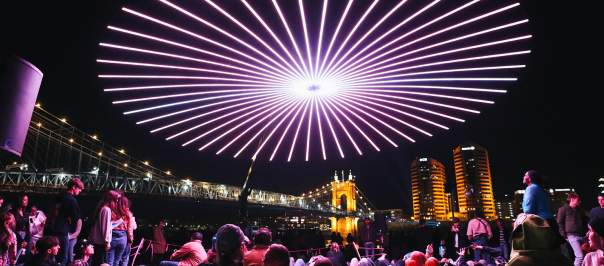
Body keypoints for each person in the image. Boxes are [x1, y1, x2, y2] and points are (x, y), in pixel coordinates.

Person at [51, 177, 84, 266]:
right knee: (63, 259)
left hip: (53, 230)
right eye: (79, 188)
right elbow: (77, 218)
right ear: (73, 187)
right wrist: (76, 232)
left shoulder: (59, 196)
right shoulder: (72, 200)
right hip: (63, 231)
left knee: (53, 257)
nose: (80, 191)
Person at [88, 190, 122, 265]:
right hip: (101, 243)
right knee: (101, 263)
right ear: (111, 199)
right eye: (116, 199)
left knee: (96, 262)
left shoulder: (103, 208)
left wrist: (118, 221)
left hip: (98, 242)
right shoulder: (106, 210)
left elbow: (106, 226)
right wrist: (107, 242)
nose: (117, 202)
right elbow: (105, 228)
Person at [557, 192, 588, 266]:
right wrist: (564, 235)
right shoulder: (563, 209)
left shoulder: (580, 210)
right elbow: (560, 223)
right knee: (580, 256)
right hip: (571, 236)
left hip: (581, 236)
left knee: (585, 256)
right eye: (578, 199)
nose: (580, 201)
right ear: (572, 199)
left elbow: (585, 221)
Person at [115, 195, 136, 266]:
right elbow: (132, 227)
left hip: (113, 237)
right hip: (126, 238)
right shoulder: (128, 214)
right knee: (124, 258)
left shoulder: (114, 212)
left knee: (114, 260)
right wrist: (131, 239)